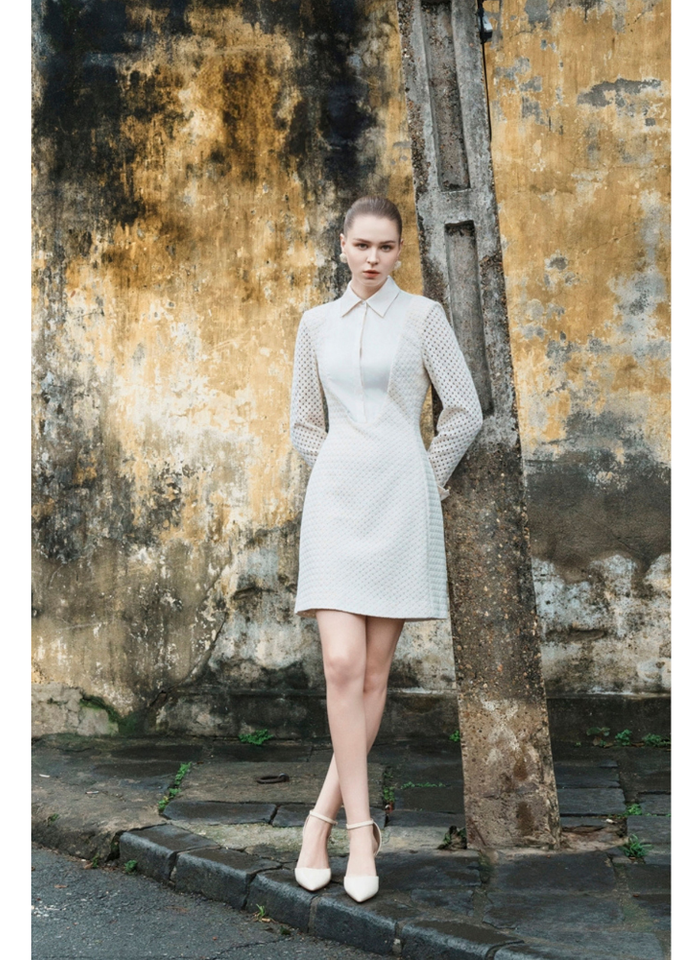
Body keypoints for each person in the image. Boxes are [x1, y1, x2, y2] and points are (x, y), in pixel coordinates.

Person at [288, 196, 483, 902]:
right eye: (363, 245)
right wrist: (341, 469)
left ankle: (327, 825)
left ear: (401, 251)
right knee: (341, 664)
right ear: (342, 245)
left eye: (387, 247)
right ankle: (357, 828)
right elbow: (304, 424)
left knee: (372, 677)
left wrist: (421, 477)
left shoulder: (423, 317)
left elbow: (464, 411)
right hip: (336, 506)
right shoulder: (315, 324)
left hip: (402, 503)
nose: (374, 258)